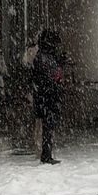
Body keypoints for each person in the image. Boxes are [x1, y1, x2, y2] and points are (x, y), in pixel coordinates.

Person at [30, 26, 67, 165]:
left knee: (47, 126)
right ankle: (46, 154)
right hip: (47, 96)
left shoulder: (42, 56)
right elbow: (50, 76)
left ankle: (46, 153)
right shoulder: (45, 57)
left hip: (45, 95)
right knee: (48, 126)